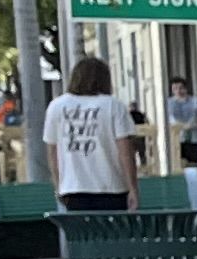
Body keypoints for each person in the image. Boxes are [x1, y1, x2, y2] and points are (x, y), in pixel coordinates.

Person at [39, 54, 138, 211]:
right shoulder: (114, 106)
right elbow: (125, 151)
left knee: (80, 227)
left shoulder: (56, 107)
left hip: (72, 187)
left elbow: (53, 152)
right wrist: (133, 188)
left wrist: (58, 186)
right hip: (112, 187)